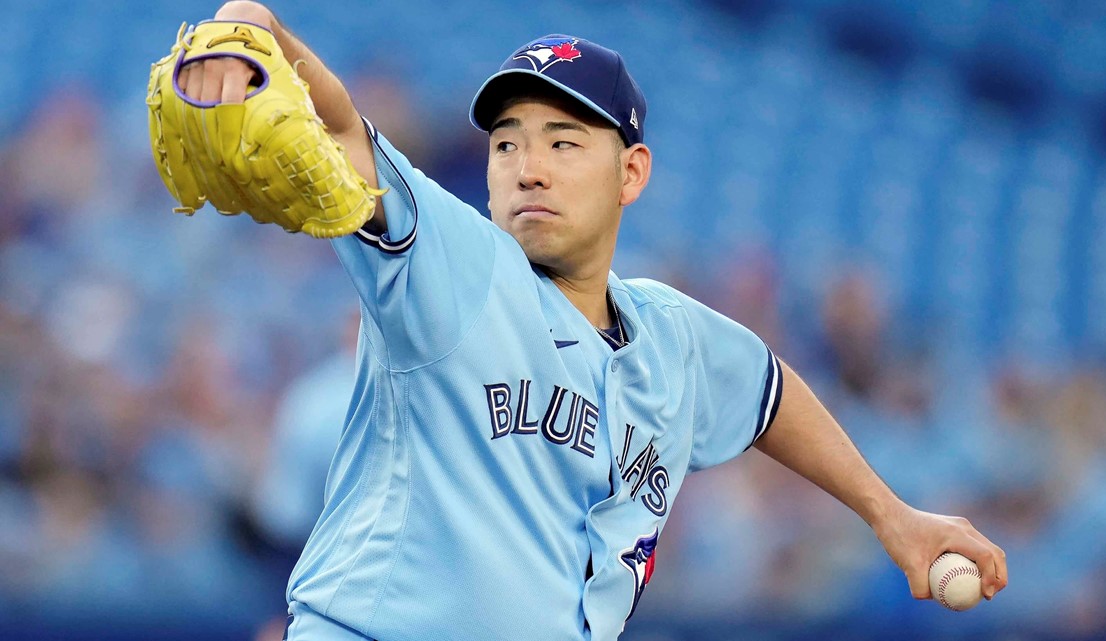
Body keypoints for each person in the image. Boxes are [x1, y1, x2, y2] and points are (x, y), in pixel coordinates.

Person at [174, 2, 1008, 639]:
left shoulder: (673, 338)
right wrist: (250, 25)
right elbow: (341, 125)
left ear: (630, 172)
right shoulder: (454, 263)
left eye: (564, 142)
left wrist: (889, 512)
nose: (528, 167)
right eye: (507, 144)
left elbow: (766, 393)